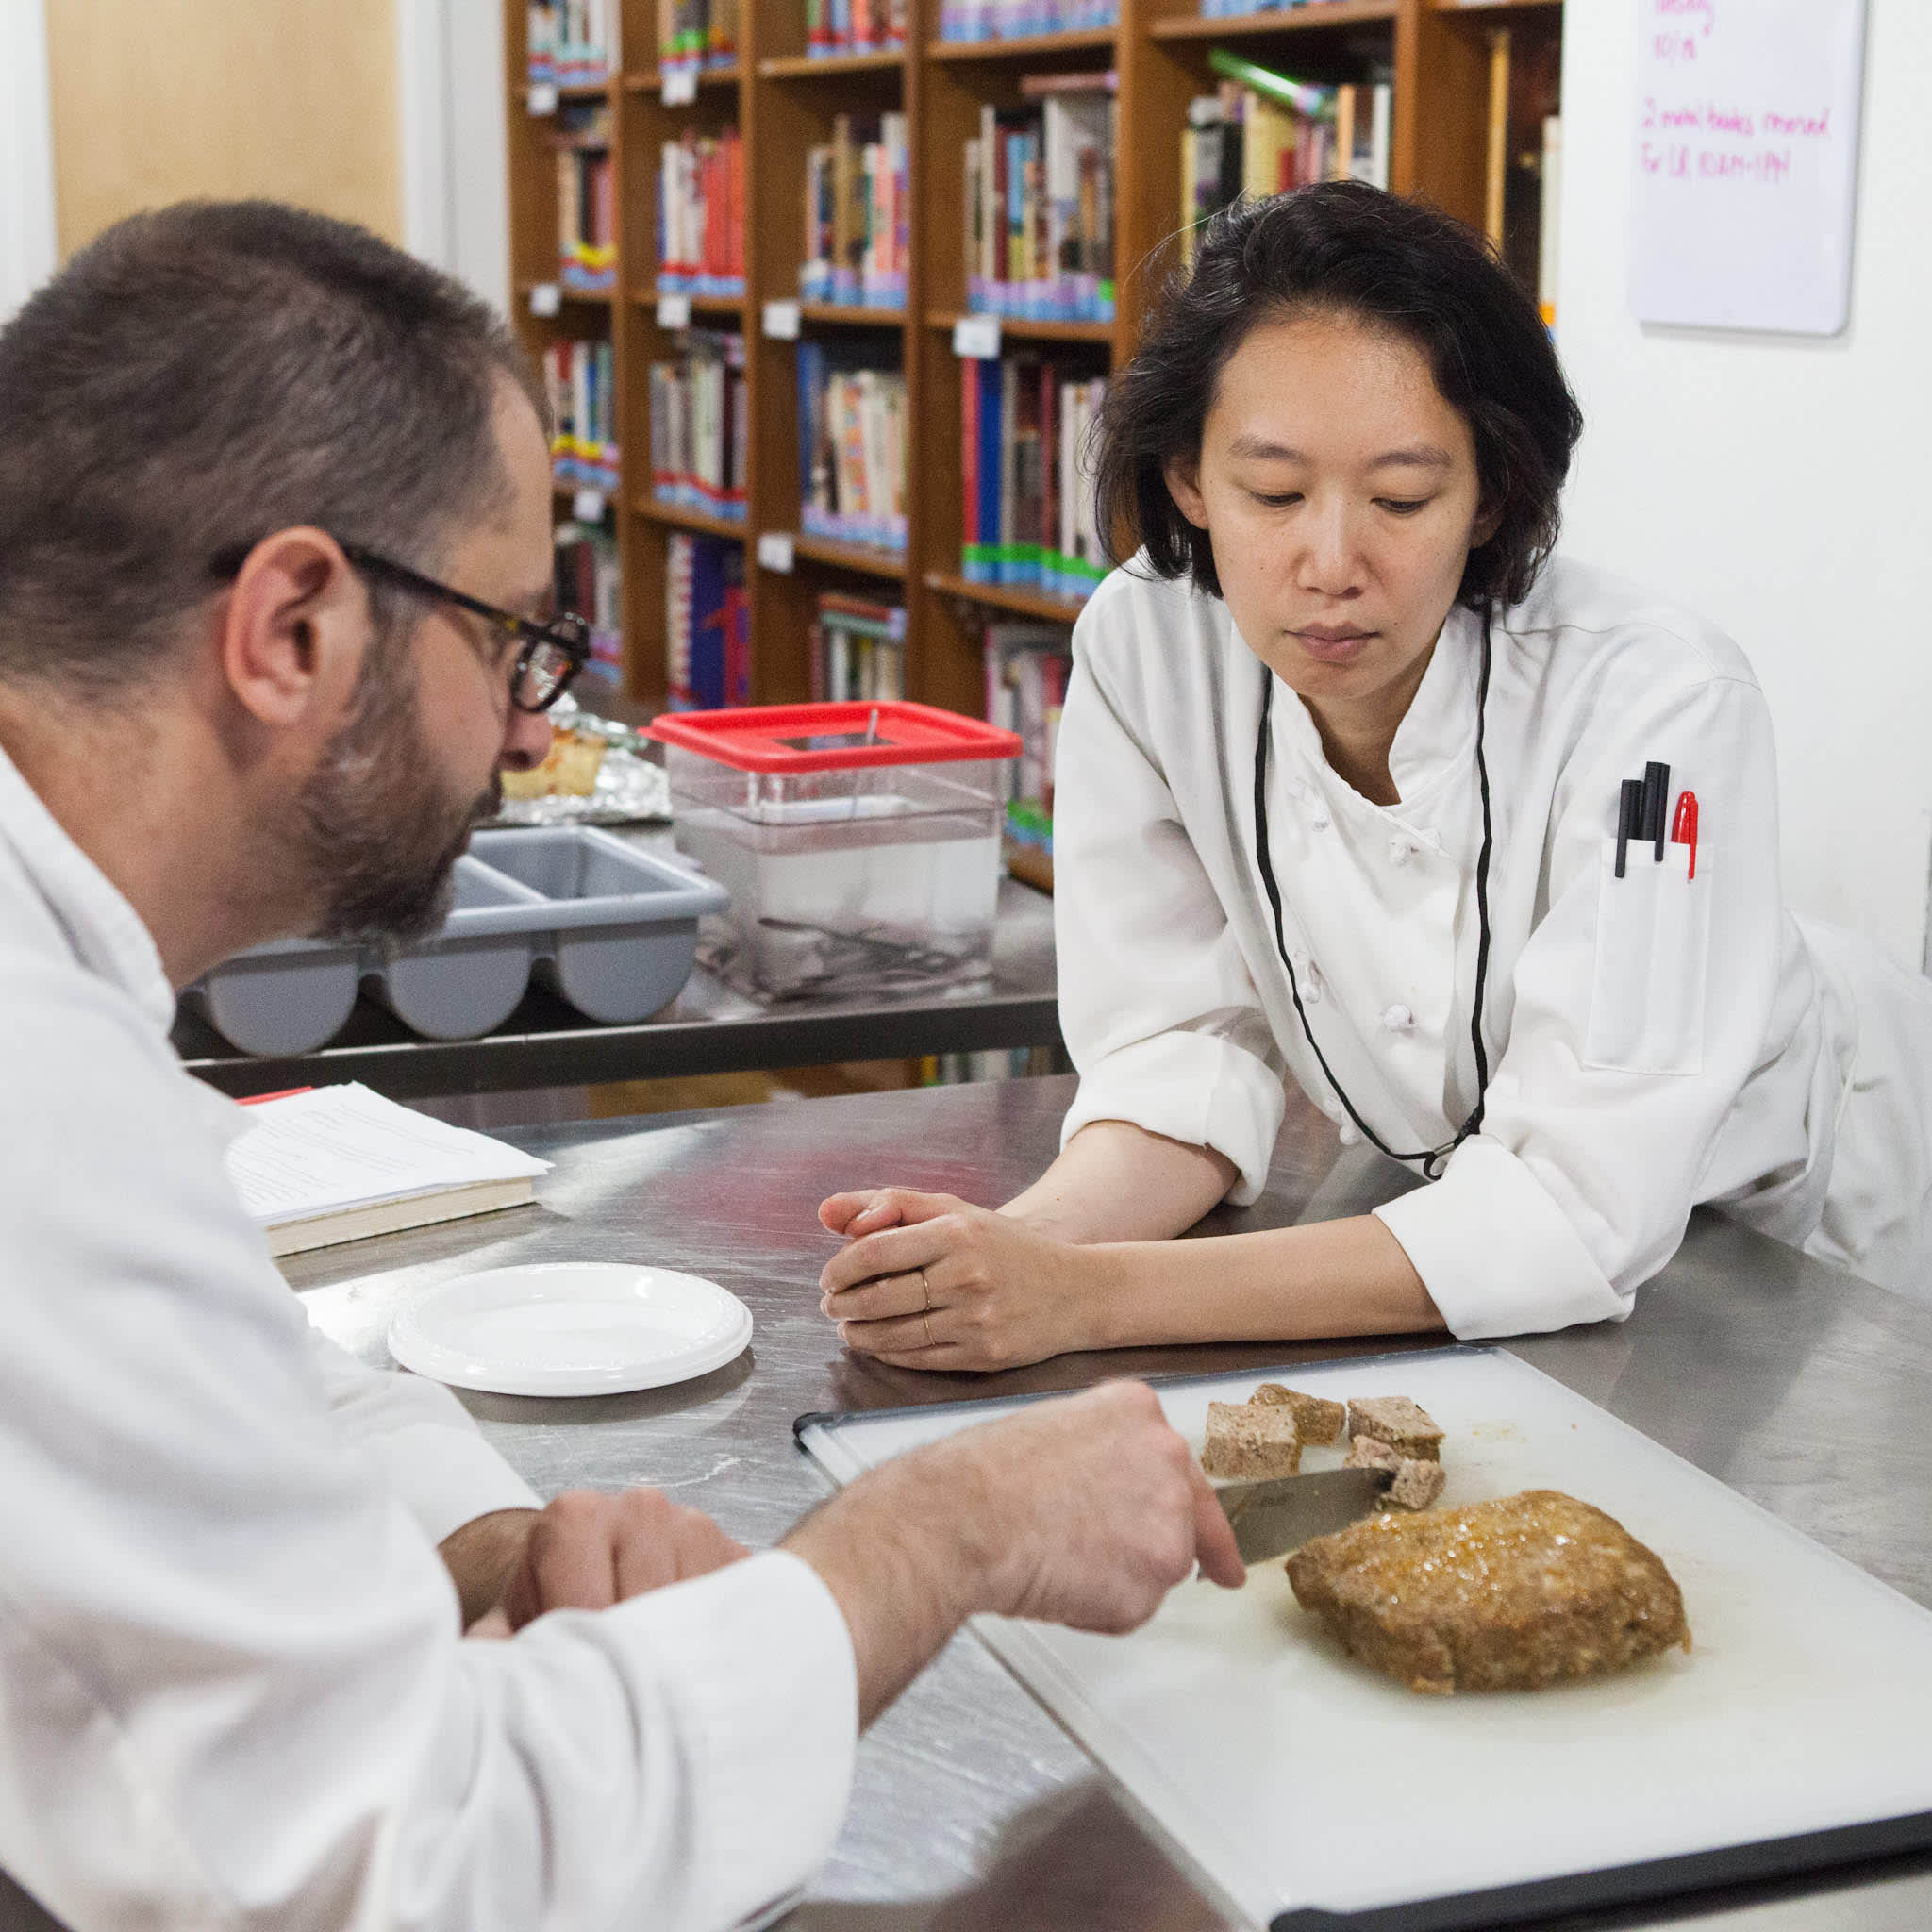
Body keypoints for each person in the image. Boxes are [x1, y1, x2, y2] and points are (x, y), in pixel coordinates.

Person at [0, 201, 1246, 1932]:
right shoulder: (37, 1109)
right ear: (291, 628)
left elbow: (203, 1388)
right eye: (508, 639)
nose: (531, 730)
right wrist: (932, 1535)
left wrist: (482, 1542)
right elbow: (423, 1868)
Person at [817, 182, 1932, 1373]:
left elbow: (1574, 1209)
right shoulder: (1146, 648)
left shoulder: (1657, 706)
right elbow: (1182, 1053)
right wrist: (1013, 1249)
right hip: (1473, 1223)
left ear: (1489, 493)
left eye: (1401, 498)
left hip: (1792, 1252)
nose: (1331, 564)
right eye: (1272, 493)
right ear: (1188, 479)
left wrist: (1084, 1297)